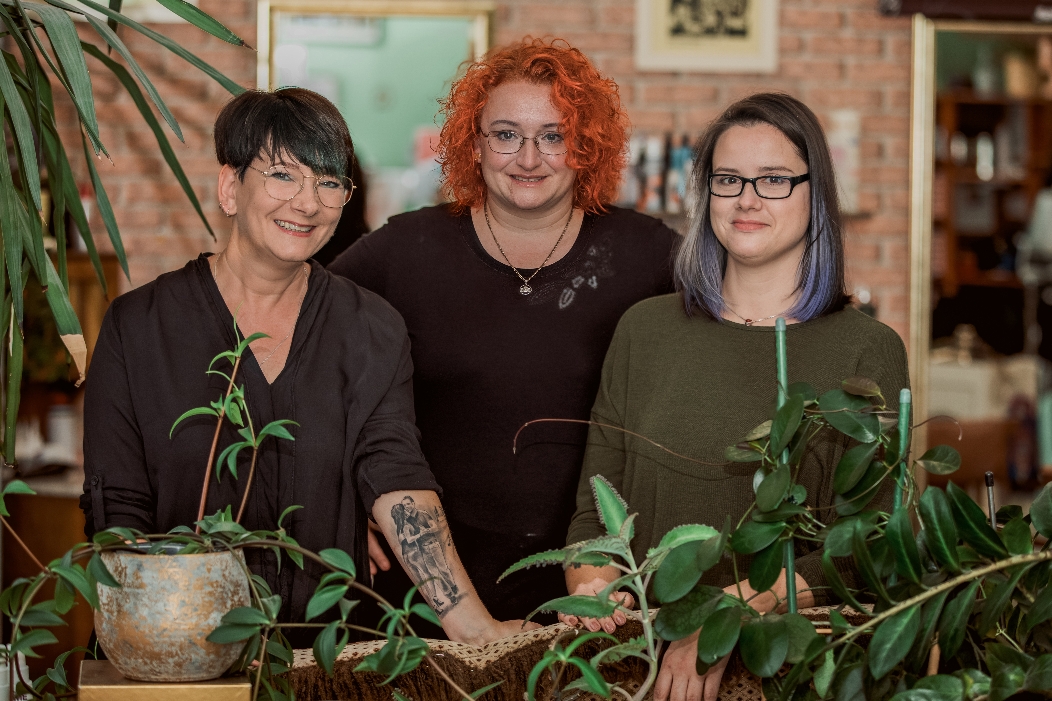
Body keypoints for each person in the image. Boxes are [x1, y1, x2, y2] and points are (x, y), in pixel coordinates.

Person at [80, 87, 528, 647]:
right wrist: (163, 657)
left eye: (329, 182)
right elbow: (117, 516)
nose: (308, 202)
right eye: (283, 175)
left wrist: (473, 627)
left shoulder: (370, 327)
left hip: (328, 660)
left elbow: (396, 477)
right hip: (179, 651)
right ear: (229, 187)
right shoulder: (138, 327)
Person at [563, 93, 909, 701]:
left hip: (787, 676)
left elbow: (869, 547)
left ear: (815, 193)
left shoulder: (867, 350)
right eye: (728, 179)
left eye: (773, 179)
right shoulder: (643, 330)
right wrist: (593, 590)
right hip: (632, 668)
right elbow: (596, 512)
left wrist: (728, 616)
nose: (746, 198)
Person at [328, 38, 679, 631]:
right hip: (428, 592)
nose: (528, 157)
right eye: (506, 134)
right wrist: (337, 502)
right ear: (474, 141)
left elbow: (738, 337)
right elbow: (292, 344)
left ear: (584, 145)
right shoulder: (404, 251)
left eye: (553, 135)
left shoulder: (648, 255)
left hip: (597, 590)